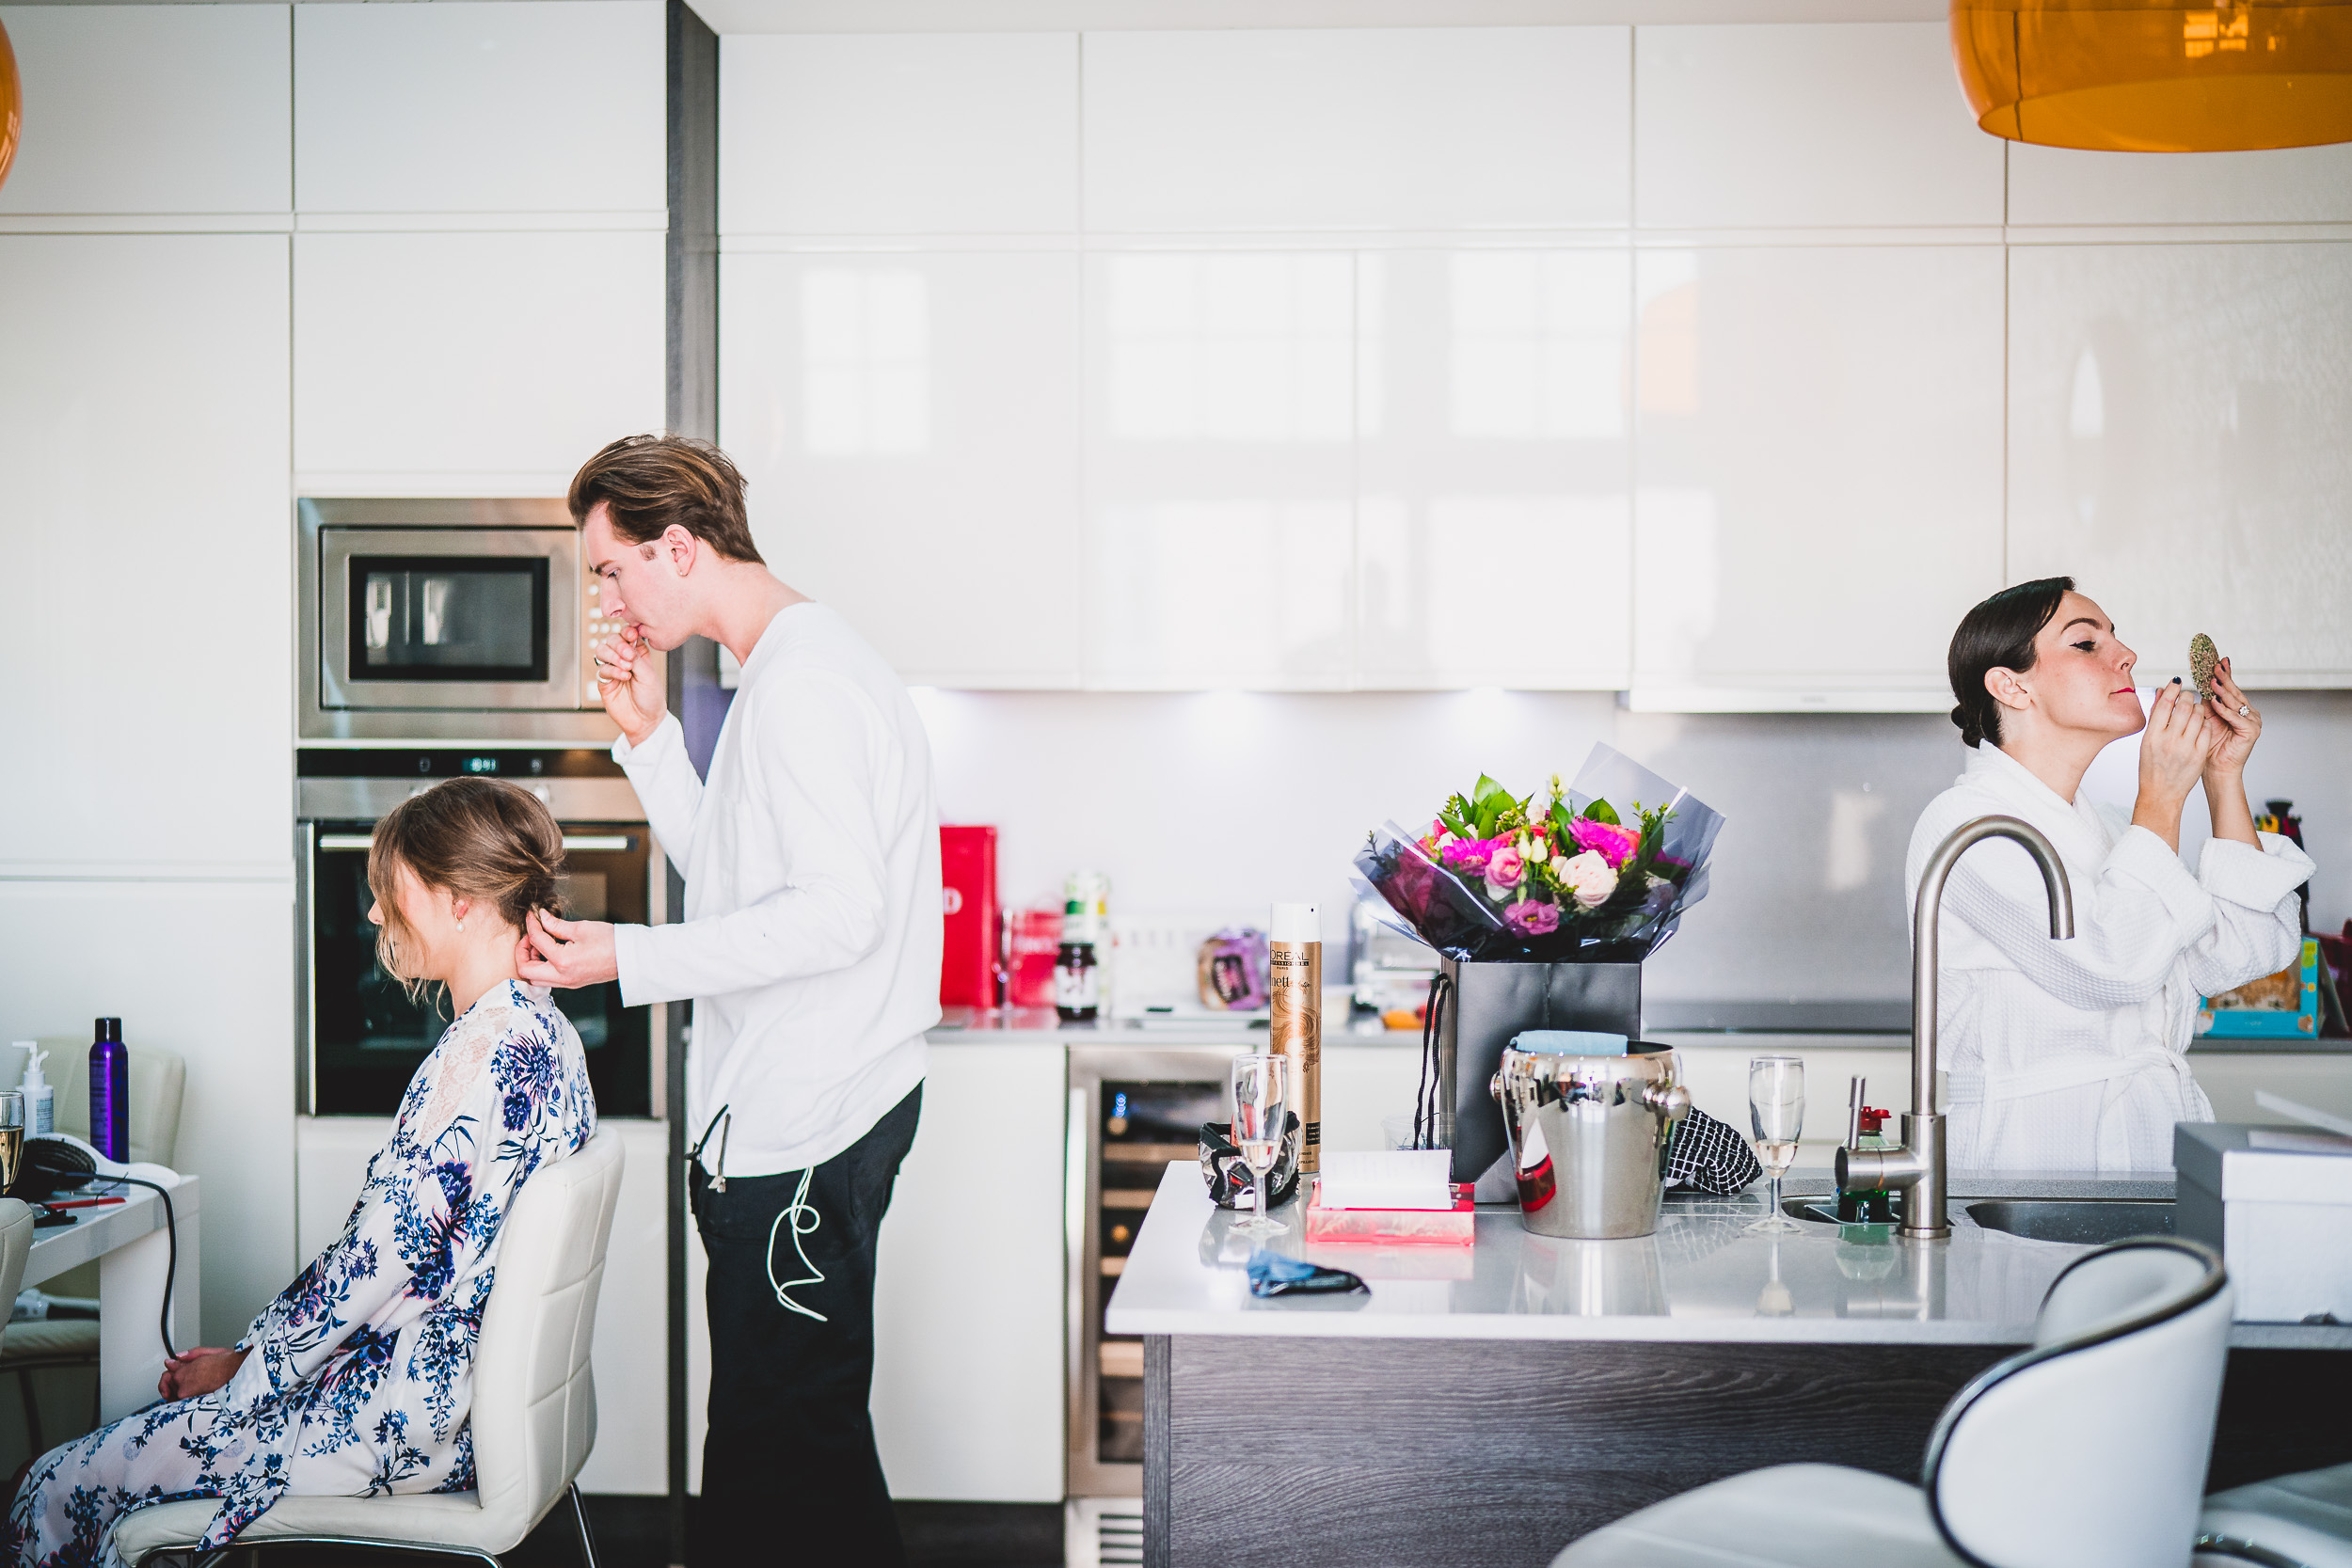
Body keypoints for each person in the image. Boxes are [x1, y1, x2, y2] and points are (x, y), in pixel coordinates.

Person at [516, 435, 941, 1564]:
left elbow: (838, 915)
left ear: (677, 545)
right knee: (805, 1444)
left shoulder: (803, 685)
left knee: (772, 1449)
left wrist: (628, 956)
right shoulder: (785, 668)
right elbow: (748, 884)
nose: (605, 594)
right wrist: (651, 738)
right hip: (804, 1115)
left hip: (810, 1123)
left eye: (610, 568)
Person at [8, 778, 596, 1568]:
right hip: (469, 1409)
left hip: (402, 1415)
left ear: (458, 899)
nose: (376, 914)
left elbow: (370, 1265)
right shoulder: (552, 1036)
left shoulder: (471, 1059)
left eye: (395, 891)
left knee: (54, 1483)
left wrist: (248, 1364)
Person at [1912, 577, 2312, 1171]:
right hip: (2034, 1157)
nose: (2126, 655)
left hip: (2151, 1146)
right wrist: (2162, 798)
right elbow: (2115, 967)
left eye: (2116, 638)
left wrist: (2222, 776)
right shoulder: (1966, 826)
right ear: (2010, 685)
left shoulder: (2110, 829)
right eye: (2085, 643)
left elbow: (2241, 953)